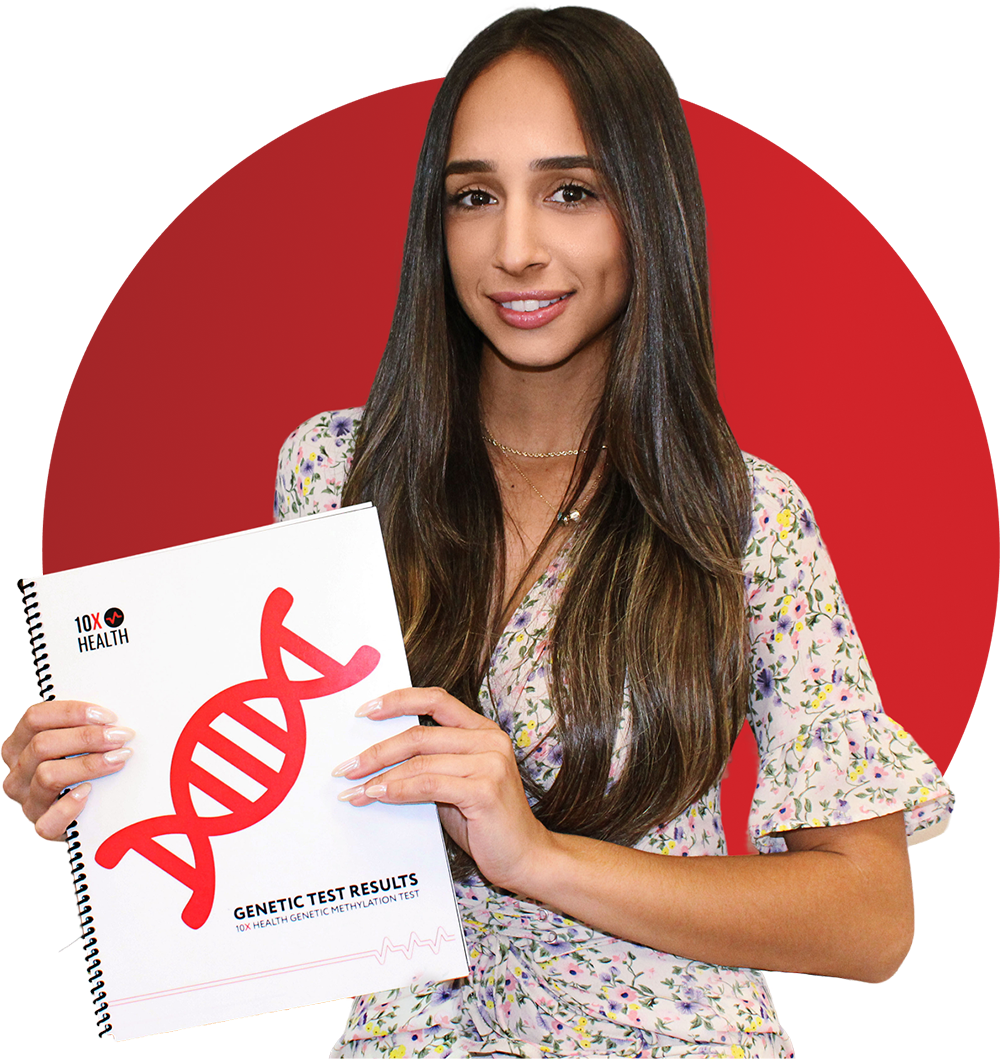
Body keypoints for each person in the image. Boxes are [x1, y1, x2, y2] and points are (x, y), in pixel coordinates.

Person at [5, 7, 952, 1058]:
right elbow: (272, 859)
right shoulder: (334, 473)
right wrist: (97, 808)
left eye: (571, 192)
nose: (515, 250)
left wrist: (538, 856)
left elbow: (868, 917)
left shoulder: (741, 518)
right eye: (474, 197)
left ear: (649, 213)